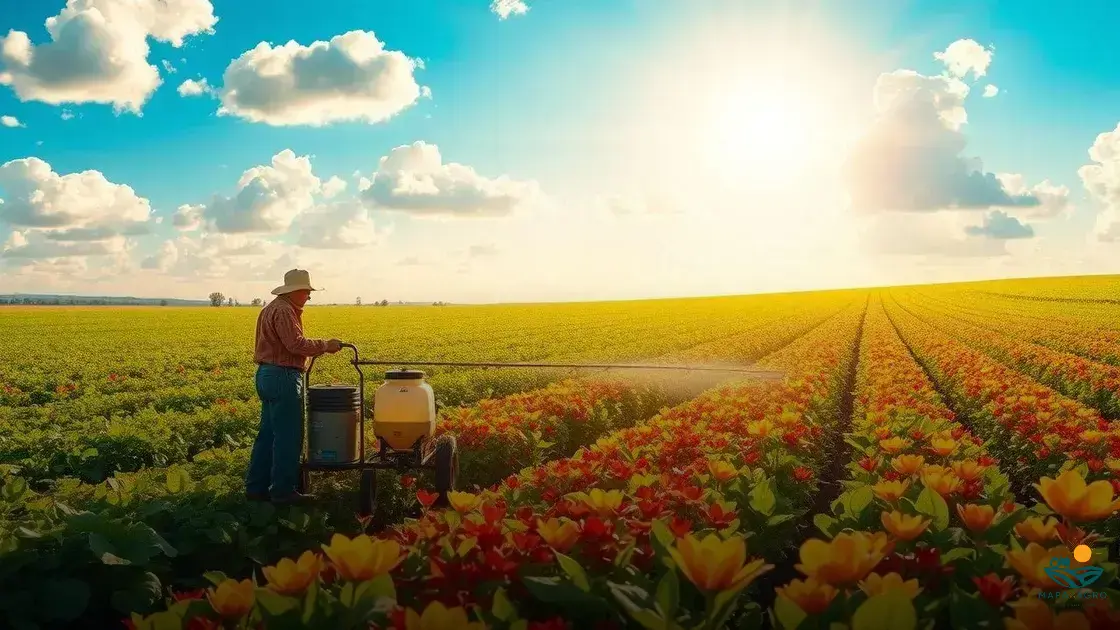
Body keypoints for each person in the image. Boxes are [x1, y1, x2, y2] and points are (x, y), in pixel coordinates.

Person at [246, 269, 342, 504]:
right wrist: (325, 345)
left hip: (267, 374)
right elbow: (295, 344)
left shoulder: (270, 308)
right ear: (295, 291)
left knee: (268, 435)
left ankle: (256, 489)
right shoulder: (284, 311)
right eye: (307, 292)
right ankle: (282, 491)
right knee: (289, 435)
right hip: (284, 376)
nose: (308, 297)